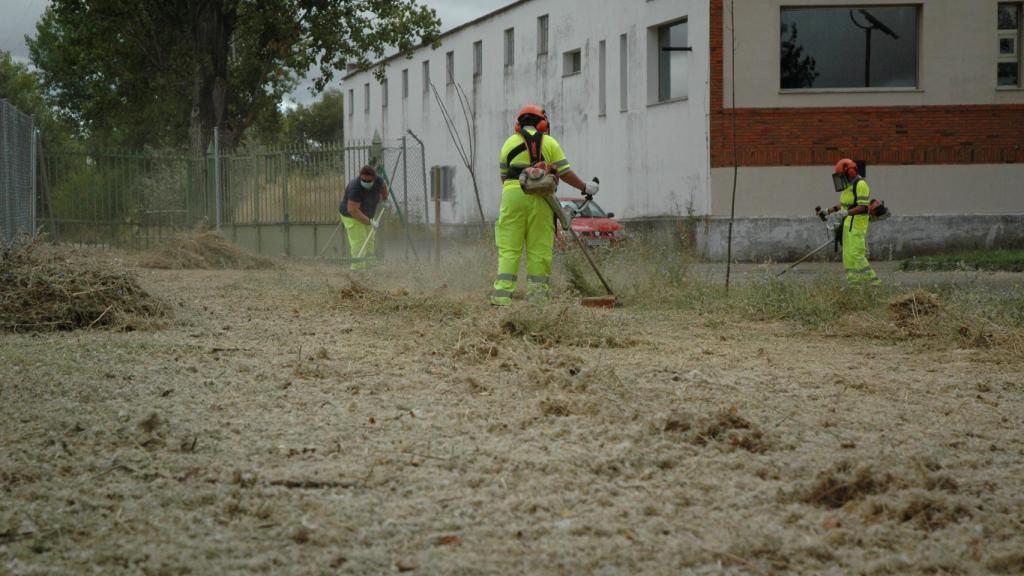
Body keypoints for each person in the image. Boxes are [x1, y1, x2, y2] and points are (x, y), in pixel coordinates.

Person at [490, 105, 598, 306]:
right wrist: (585, 187)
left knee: (509, 249)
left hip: (513, 195)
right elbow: (564, 173)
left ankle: (501, 299)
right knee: (539, 250)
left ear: (518, 125)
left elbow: (504, 177)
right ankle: (538, 301)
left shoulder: (508, 144)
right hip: (542, 200)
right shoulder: (549, 143)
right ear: (543, 124)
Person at [828, 158, 880, 286]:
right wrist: (828, 210)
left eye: (842, 175)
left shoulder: (860, 185)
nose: (841, 179)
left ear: (850, 172)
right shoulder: (849, 186)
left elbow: (862, 206)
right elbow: (844, 204)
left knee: (857, 254)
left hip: (857, 225)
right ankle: (854, 284)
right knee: (848, 256)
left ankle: (875, 282)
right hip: (847, 225)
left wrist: (846, 213)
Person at [339, 165, 388, 270]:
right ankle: (357, 268)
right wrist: (370, 221)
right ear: (360, 177)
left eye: (368, 181)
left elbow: (383, 188)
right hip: (351, 216)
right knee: (359, 242)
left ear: (374, 179)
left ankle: (369, 265)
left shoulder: (379, 180)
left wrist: (385, 199)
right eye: (363, 180)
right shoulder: (355, 188)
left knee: (370, 240)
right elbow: (353, 210)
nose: (365, 182)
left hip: (367, 214)